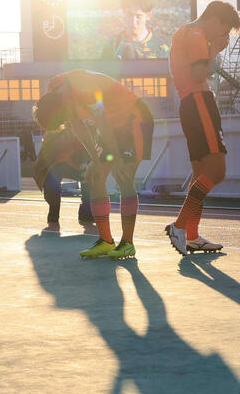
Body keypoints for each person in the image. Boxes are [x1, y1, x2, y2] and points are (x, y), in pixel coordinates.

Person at [33, 69, 154, 259]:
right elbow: (81, 130)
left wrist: (115, 157)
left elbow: (101, 120)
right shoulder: (58, 93)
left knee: (123, 177)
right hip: (112, 127)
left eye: (62, 120)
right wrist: (96, 161)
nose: (66, 121)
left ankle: (128, 243)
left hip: (133, 118)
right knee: (94, 176)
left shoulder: (82, 88)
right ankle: (106, 241)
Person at [164, 0, 240, 255]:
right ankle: (180, 226)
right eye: (224, 31)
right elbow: (199, 75)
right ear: (216, 21)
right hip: (199, 102)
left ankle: (191, 234)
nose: (222, 37)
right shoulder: (197, 35)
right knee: (216, 171)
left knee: (200, 174)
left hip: (190, 104)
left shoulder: (184, 31)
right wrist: (214, 50)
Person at [33, 128, 89, 233]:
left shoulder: (86, 132)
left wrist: (75, 163)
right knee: (52, 186)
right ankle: (53, 215)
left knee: (89, 176)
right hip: (53, 166)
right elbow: (58, 157)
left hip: (76, 163)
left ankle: (86, 212)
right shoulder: (54, 133)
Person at [100, 0, 170, 60]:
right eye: (129, 14)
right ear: (124, 13)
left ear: (148, 15)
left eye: (139, 16)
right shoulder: (111, 46)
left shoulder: (162, 50)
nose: (133, 21)